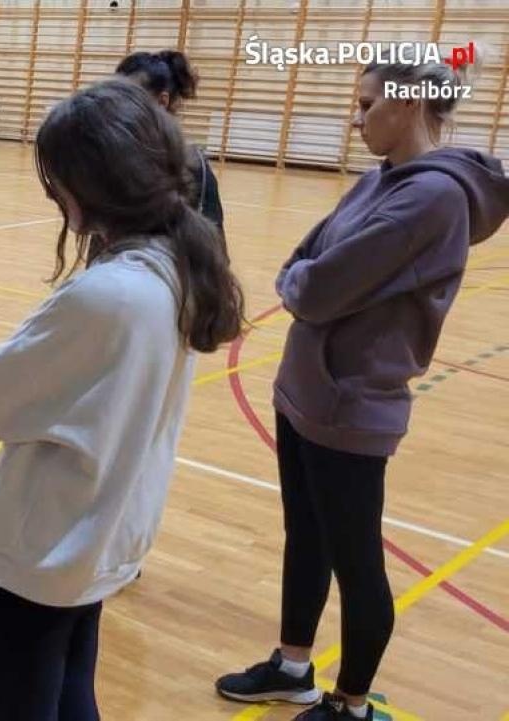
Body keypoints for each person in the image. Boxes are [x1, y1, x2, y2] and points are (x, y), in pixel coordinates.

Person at [215, 59, 508, 721]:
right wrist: (303, 282)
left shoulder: (432, 197)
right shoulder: (382, 179)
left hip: (352, 404)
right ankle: (293, 667)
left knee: (357, 562)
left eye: (368, 104)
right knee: (306, 535)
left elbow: (314, 287)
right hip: (306, 388)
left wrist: (302, 285)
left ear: (407, 106)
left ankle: (351, 706)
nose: (356, 118)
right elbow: (305, 258)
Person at [0, 78, 244, 720]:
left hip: (49, 545)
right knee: (70, 691)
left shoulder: (109, 295)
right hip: (102, 534)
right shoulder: (177, 265)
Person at [115, 50, 224, 232]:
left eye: (129, 98)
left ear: (161, 101)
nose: (117, 105)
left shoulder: (194, 168)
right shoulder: (113, 157)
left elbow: (213, 240)